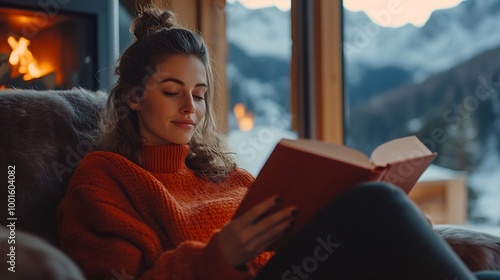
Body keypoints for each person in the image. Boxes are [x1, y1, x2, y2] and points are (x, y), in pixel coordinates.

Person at [57, 4, 500, 280]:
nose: (190, 107)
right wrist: (220, 257)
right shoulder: (104, 178)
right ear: (134, 97)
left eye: (200, 94)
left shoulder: (225, 175)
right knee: (375, 206)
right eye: (172, 92)